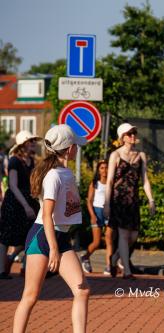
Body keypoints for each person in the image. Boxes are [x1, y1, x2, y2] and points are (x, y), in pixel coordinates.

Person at [13, 124, 89, 333]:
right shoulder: (53, 176)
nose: (77, 149)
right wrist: (53, 248)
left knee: (82, 290)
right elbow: (46, 215)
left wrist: (58, 244)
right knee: (30, 296)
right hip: (42, 237)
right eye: (75, 145)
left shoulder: (65, 172)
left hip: (60, 237)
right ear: (68, 148)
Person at [104, 123, 155, 279]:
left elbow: (145, 180)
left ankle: (115, 258)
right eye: (129, 133)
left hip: (133, 200)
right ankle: (126, 271)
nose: (133, 136)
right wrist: (107, 203)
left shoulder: (141, 155)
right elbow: (110, 180)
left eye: (134, 132)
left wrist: (151, 200)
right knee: (124, 235)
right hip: (118, 200)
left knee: (133, 236)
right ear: (123, 137)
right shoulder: (116, 155)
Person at [0, 131, 40, 279]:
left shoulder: (31, 161)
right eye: (31, 141)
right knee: (5, 237)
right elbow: (13, 185)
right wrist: (26, 205)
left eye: (34, 141)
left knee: (30, 235)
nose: (34, 143)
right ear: (23, 144)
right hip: (14, 201)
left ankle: (16, 261)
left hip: (28, 200)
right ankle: (1, 271)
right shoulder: (14, 161)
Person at [80, 159, 113, 275]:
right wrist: (93, 215)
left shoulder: (111, 182)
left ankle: (109, 266)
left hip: (108, 211)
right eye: (102, 168)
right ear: (98, 170)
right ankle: (85, 257)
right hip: (97, 212)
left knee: (109, 238)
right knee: (97, 242)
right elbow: (89, 201)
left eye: (106, 167)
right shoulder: (94, 183)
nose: (105, 170)